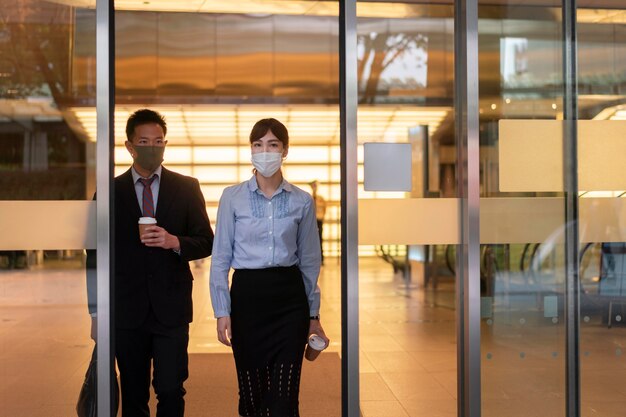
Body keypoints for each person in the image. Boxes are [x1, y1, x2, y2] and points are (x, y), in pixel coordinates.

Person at [86, 108, 214, 417]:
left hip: (171, 308)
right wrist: (95, 311)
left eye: (159, 141)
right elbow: (93, 257)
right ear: (130, 146)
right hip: (126, 311)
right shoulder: (106, 194)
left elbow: (207, 241)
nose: (152, 148)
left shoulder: (187, 187)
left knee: (171, 389)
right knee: (133, 393)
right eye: (144, 141)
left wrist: (175, 242)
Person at [210, 118, 329, 417]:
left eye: (272, 144)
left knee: (285, 396)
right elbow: (221, 257)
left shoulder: (302, 201)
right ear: (250, 149)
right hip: (247, 298)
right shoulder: (232, 197)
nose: (265, 151)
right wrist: (222, 310)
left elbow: (310, 262)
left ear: (285, 150)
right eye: (258, 144)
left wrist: (313, 315)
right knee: (251, 395)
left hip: (289, 301)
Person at [309, 180, 327, 265]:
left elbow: (324, 209)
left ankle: (321, 259)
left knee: (320, 239)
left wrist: (322, 217)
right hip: (311, 221)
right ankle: (312, 259)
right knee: (310, 240)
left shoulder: (320, 199)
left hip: (319, 220)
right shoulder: (309, 197)